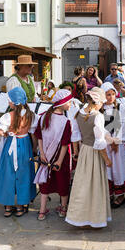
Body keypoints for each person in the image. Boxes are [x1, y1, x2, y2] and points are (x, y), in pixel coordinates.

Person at [66, 87, 113, 228]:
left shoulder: (78, 113)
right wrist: (107, 159)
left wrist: (76, 152)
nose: (102, 105)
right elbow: (99, 142)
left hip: (84, 151)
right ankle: (94, 218)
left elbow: (75, 136)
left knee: (82, 185)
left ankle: (80, 216)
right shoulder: (97, 116)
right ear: (97, 101)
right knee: (95, 185)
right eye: (102, 103)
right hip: (94, 153)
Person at [0, 87, 37, 217]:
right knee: (24, 174)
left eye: (9, 101)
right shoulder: (30, 115)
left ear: (13, 102)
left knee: (8, 174)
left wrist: (4, 132)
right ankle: (20, 205)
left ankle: (8, 206)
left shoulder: (8, 116)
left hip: (11, 146)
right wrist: (34, 148)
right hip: (25, 146)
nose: (8, 103)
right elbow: (33, 134)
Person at [34, 89, 74, 220]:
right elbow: (64, 144)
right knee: (63, 180)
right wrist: (60, 161)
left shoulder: (43, 116)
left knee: (45, 180)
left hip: (45, 155)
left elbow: (39, 137)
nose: (70, 104)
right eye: (68, 101)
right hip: (60, 157)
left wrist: (42, 154)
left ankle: (42, 210)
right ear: (61, 103)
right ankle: (63, 209)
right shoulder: (65, 122)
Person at [101, 83, 125, 209]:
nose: (111, 97)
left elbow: (123, 125)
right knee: (108, 168)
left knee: (119, 168)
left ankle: (120, 195)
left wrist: (116, 141)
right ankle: (110, 193)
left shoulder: (120, 107)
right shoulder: (101, 109)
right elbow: (101, 127)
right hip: (106, 144)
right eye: (108, 94)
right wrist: (109, 140)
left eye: (113, 94)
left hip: (118, 144)